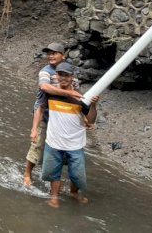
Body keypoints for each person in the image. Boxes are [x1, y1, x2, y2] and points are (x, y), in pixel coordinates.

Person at [32, 62, 99, 207]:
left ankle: (74, 192)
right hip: (54, 140)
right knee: (52, 172)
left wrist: (93, 105)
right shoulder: (50, 93)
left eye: (66, 75)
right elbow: (40, 108)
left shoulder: (81, 98)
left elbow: (91, 120)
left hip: (75, 143)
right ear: (56, 76)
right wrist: (34, 130)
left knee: (77, 174)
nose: (63, 78)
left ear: (72, 77)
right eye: (60, 75)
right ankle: (54, 196)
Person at [23, 42, 83, 187]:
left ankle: (54, 180)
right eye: (49, 53)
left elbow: (75, 98)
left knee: (61, 148)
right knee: (37, 145)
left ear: (63, 55)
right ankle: (27, 174)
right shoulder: (45, 71)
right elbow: (44, 87)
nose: (50, 56)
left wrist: (83, 120)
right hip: (44, 114)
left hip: (63, 116)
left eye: (54, 53)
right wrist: (33, 129)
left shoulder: (70, 72)